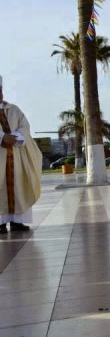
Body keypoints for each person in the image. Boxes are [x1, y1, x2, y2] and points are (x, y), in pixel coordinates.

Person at [0, 75, 42, 233]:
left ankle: (17, 222)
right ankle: (0, 223)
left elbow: (25, 125)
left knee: (18, 185)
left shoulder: (14, 109)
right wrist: (3, 137)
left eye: (0, 90)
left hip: (16, 157)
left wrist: (17, 136)